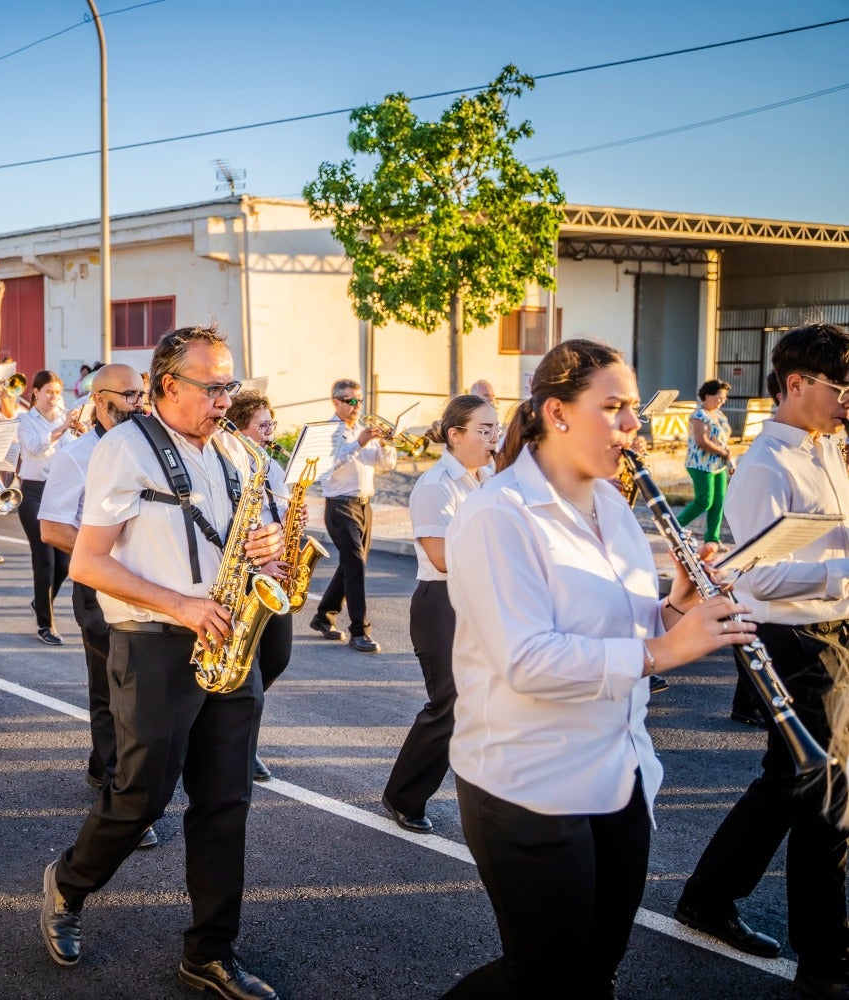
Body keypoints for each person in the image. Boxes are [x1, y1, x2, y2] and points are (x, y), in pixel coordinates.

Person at [439, 339, 752, 998]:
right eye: (614, 409)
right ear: (556, 413)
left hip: (619, 772)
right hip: (527, 782)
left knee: (597, 969)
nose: (633, 426)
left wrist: (674, 610)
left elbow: (624, 632)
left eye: (632, 408)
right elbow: (528, 660)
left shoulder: (611, 505)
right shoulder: (499, 515)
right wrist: (665, 651)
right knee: (545, 974)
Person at [40, 326, 284, 1000]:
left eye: (231, 385)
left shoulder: (235, 449)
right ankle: (68, 883)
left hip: (230, 633)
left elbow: (238, 537)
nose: (225, 400)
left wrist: (267, 550)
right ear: (167, 386)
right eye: (213, 388)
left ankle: (210, 952)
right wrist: (181, 606)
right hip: (155, 639)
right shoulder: (124, 449)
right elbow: (89, 563)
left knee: (225, 802)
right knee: (140, 796)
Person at [675, 324, 849, 1000]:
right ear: (796, 384)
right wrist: (841, 566)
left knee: (789, 780)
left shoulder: (829, 449)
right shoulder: (764, 466)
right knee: (826, 797)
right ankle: (824, 954)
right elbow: (754, 578)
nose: (845, 401)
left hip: (833, 631)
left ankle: (707, 896)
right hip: (792, 642)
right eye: (838, 389)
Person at [379, 394, 497, 835]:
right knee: (449, 702)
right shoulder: (434, 486)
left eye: (494, 429)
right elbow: (443, 557)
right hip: (442, 602)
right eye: (484, 430)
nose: (493, 438)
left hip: (482, 598)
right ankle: (402, 795)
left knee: (488, 699)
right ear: (455, 434)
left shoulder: (487, 478)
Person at [38, 364, 147, 795]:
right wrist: (100, 556)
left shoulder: (145, 447)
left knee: (137, 687)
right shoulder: (76, 455)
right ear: (100, 402)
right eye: (129, 396)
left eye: (142, 394)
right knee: (110, 688)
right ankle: (113, 782)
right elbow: (51, 528)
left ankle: (106, 762)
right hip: (98, 584)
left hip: (143, 583)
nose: (140, 404)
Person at [221, 389, 295, 784]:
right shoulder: (228, 464)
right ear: (241, 428)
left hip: (273, 575)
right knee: (245, 671)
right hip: (245, 576)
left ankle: (235, 734)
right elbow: (231, 527)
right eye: (263, 425)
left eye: (271, 425)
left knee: (277, 658)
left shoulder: (271, 465)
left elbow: (280, 513)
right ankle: (241, 746)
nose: (270, 433)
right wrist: (262, 560)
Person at [309, 379, 394, 652]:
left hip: (363, 505)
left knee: (350, 565)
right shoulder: (329, 432)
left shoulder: (362, 430)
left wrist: (385, 445)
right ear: (336, 402)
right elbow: (329, 466)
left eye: (359, 400)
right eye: (350, 401)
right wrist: (358, 443)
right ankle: (359, 630)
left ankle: (324, 616)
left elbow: (385, 465)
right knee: (355, 563)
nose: (357, 406)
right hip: (339, 505)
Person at [16, 370, 85, 645]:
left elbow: (74, 453)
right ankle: (45, 624)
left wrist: (80, 431)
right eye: (48, 392)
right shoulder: (25, 420)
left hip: (59, 493)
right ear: (35, 392)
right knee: (44, 559)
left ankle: (40, 602)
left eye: (57, 392)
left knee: (65, 563)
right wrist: (62, 428)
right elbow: (34, 448)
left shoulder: (63, 418)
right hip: (32, 493)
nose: (53, 398)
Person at [675, 379, 734, 546]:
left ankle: (712, 540)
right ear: (707, 396)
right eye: (719, 397)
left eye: (724, 398)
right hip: (700, 464)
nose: (722, 401)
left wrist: (728, 458)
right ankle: (674, 527)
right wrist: (723, 453)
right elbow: (702, 441)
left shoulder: (719, 415)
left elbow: (722, 439)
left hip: (718, 465)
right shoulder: (698, 415)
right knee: (704, 501)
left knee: (718, 503)